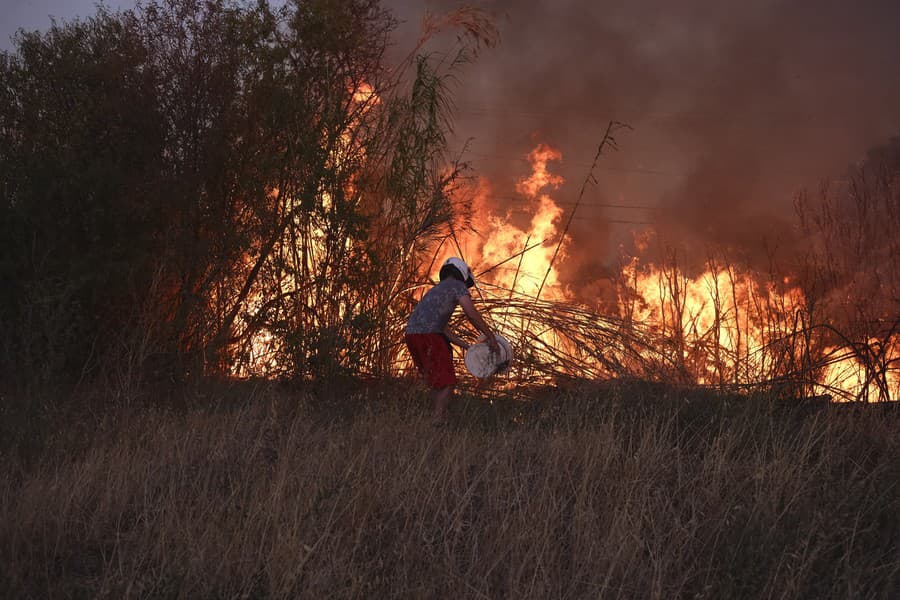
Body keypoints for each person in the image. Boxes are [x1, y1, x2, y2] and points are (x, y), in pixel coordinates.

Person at [405, 257, 499, 425]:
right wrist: (490, 336)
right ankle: (438, 419)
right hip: (430, 337)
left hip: (412, 336)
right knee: (448, 382)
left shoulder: (436, 290)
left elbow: (443, 329)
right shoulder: (458, 286)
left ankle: (438, 417)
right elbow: (471, 314)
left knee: (436, 381)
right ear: (462, 273)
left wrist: (467, 346)